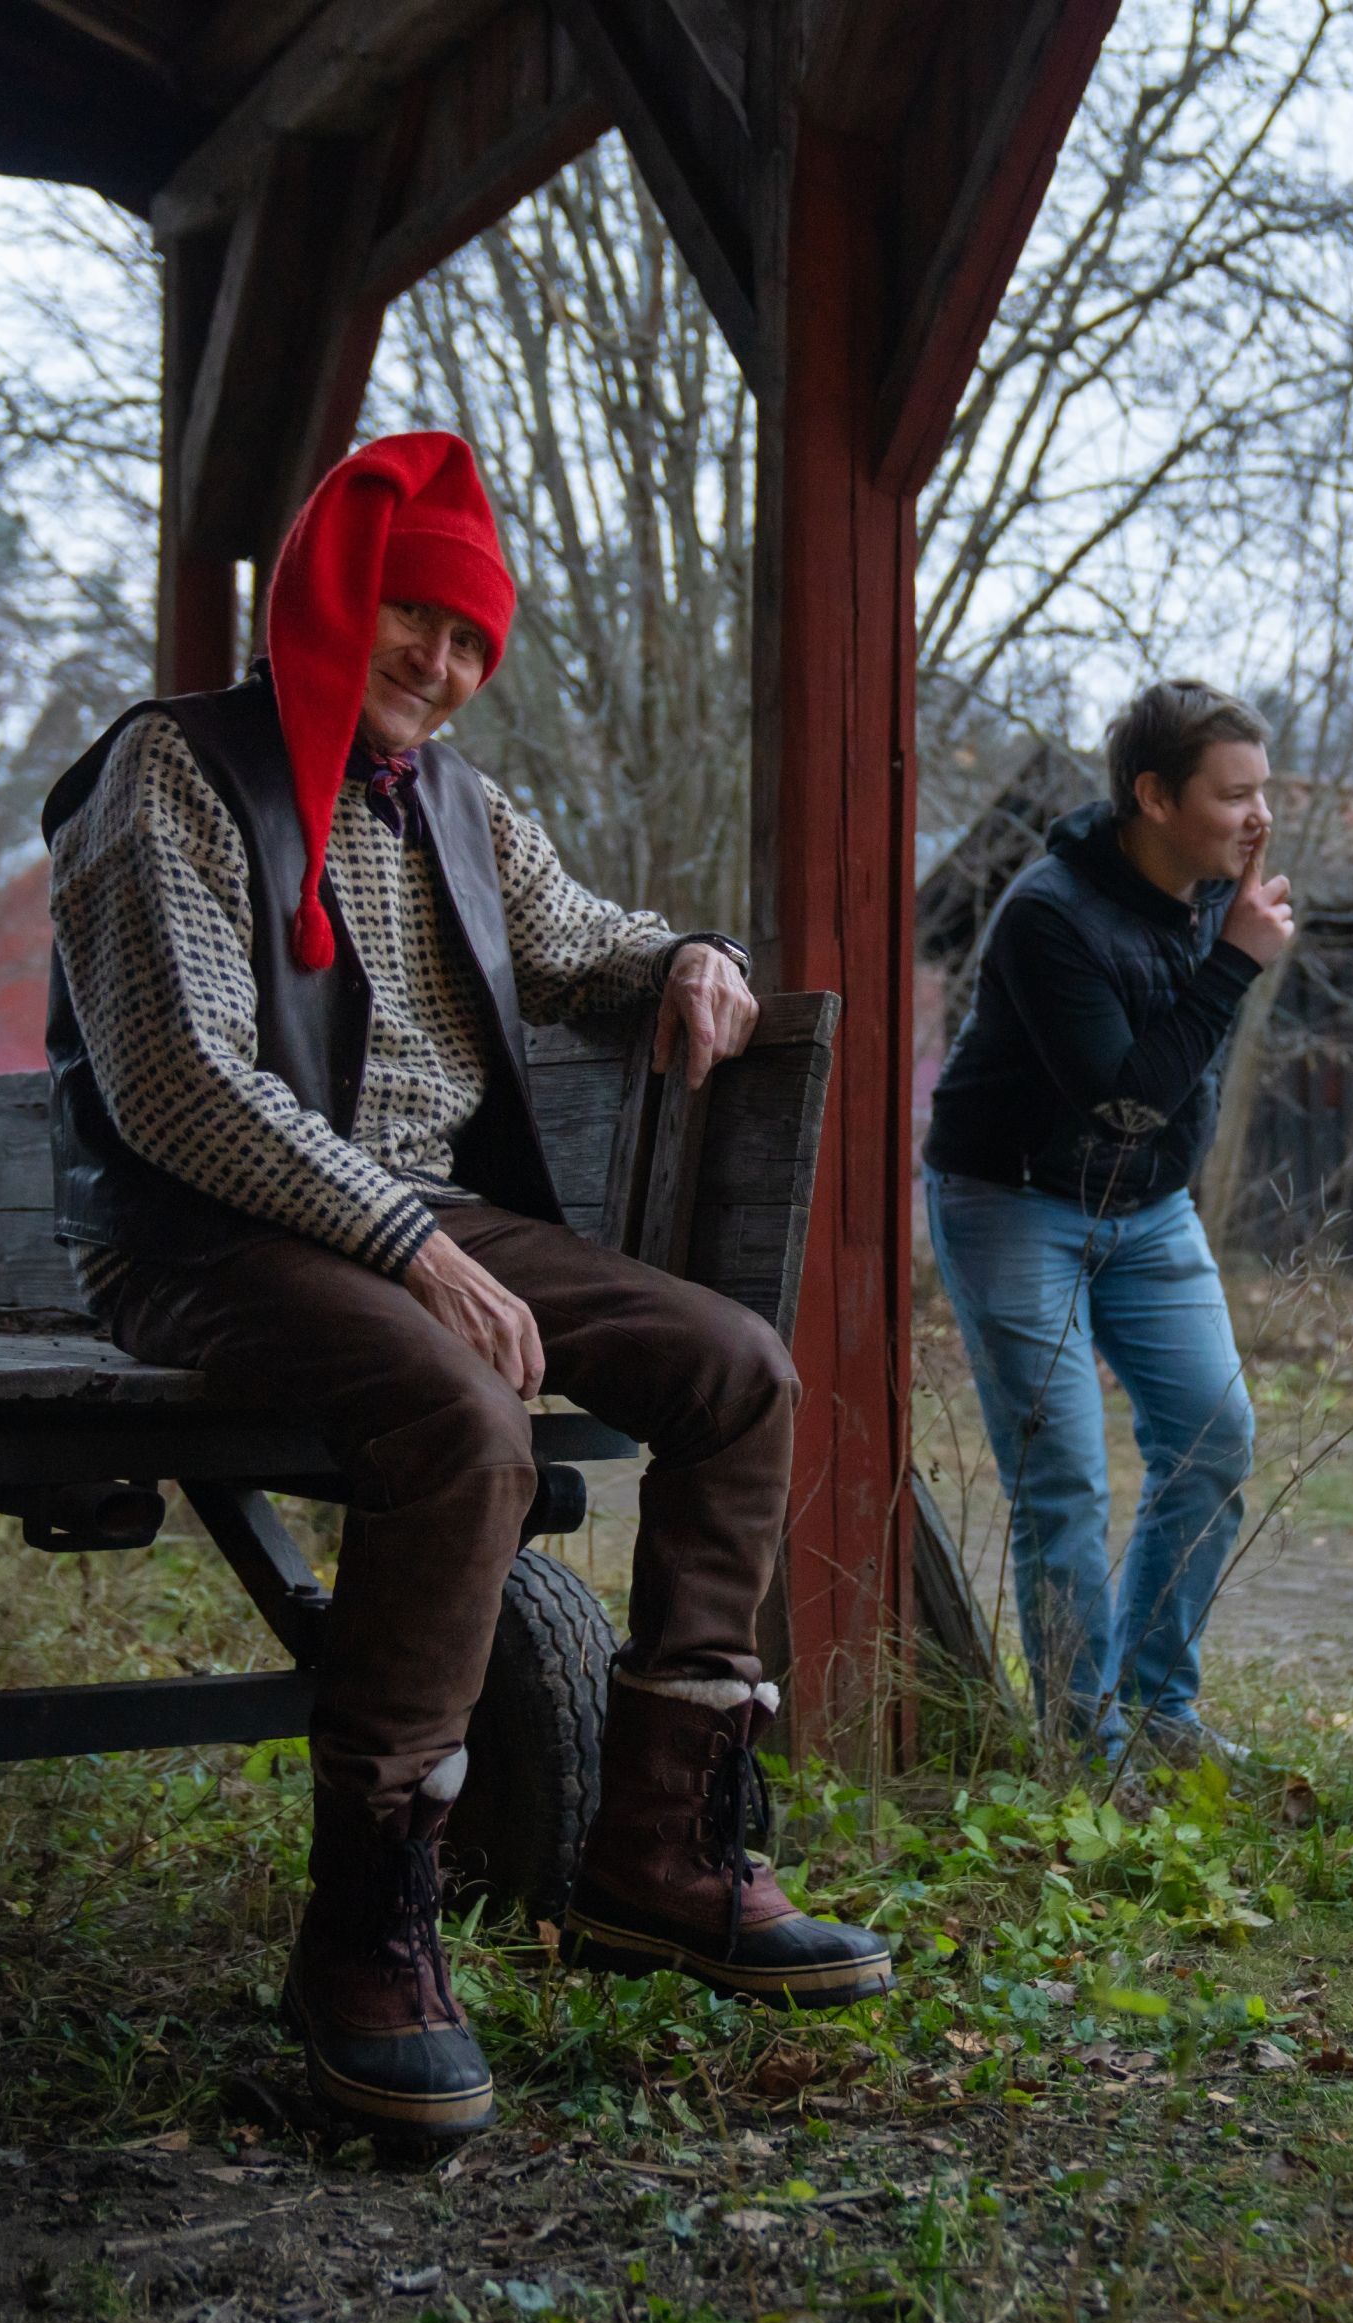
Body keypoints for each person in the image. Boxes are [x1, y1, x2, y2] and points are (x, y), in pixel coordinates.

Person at [43, 432, 890, 2141]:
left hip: (424, 1215)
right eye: (409, 618)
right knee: (461, 1411)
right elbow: (185, 1084)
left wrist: (685, 956)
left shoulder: (461, 807)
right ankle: (367, 1929)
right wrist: (412, 1246)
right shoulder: (173, 774)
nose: (439, 663)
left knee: (738, 1369)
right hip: (203, 1231)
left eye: (469, 637)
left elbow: (579, 938)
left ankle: (661, 1847)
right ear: (330, 603)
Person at [921, 679, 1296, 1769]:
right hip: (1013, 1203)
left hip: (1148, 1212)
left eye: (1261, 790)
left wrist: (1223, 945)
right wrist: (1233, 962)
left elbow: (1162, 1103)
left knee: (1213, 1437)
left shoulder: (1201, 895)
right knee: (1065, 1481)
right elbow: (1127, 1100)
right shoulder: (1047, 914)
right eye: (1233, 796)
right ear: (1152, 795)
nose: (1256, 816)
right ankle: (1083, 1748)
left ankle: (1157, 1706)